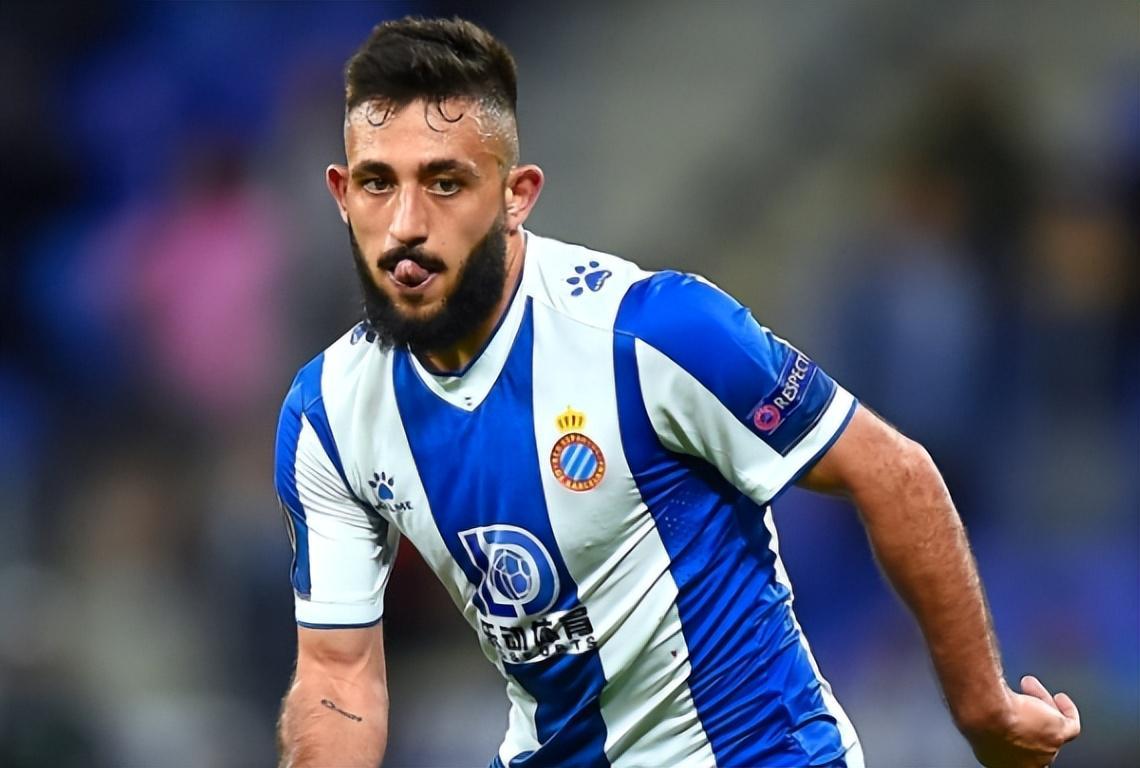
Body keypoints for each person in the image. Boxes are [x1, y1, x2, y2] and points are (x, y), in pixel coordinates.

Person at [273, 16, 1080, 768]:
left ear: (516, 196)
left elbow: (893, 471)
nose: (406, 224)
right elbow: (339, 675)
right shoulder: (328, 415)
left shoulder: (653, 333)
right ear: (341, 195)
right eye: (378, 184)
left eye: (445, 183)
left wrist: (984, 709)